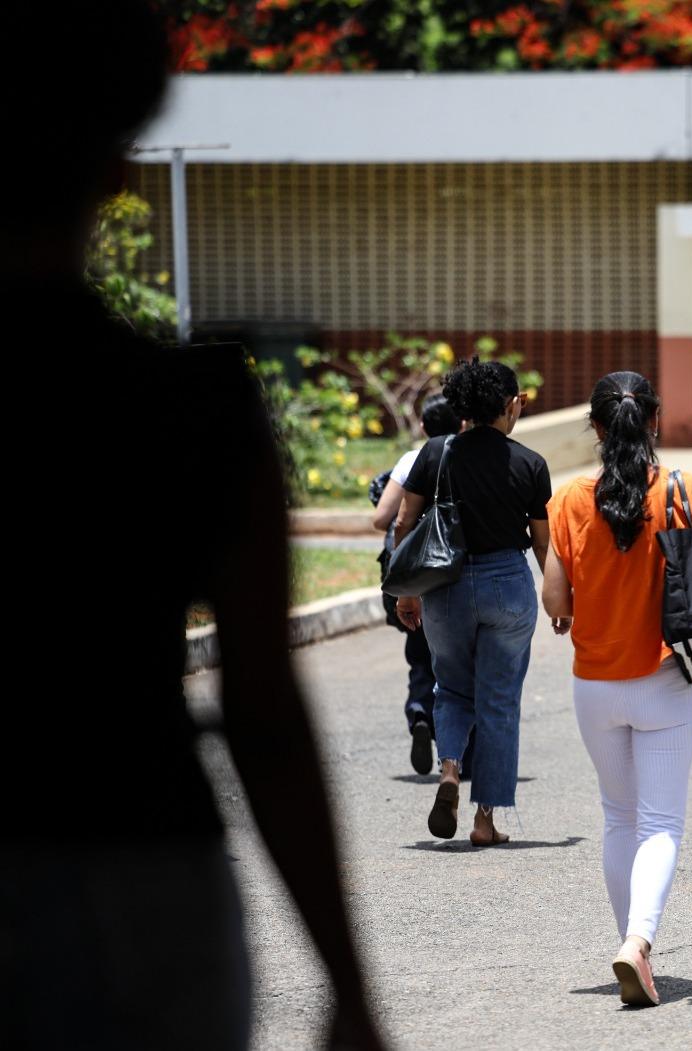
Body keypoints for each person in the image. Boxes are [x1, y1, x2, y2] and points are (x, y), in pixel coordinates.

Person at [0, 3, 384, 1047]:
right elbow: (263, 707)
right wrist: (347, 982)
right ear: (120, 166)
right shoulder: (194, 405)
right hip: (140, 871)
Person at [541, 371, 692, 1007]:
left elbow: (555, 599)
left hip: (595, 685)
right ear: (654, 420)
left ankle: (631, 943)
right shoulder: (684, 491)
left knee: (619, 818)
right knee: (661, 823)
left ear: (595, 428)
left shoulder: (568, 500)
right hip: (666, 681)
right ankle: (639, 943)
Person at [393, 361, 551, 848]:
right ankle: (485, 819)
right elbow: (543, 544)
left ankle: (448, 772)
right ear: (509, 406)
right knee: (500, 701)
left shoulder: (437, 452)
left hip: (446, 585)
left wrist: (405, 590)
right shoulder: (528, 462)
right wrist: (560, 600)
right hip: (507, 583)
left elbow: (404, 523)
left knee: (452, 688)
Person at [372, 394, 462, 774]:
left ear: (423, 427)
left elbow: (384, 519)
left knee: (420, 652)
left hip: (416, 574)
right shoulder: (465, 454)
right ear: (461, 423)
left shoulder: (412, 459)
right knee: (458, 662)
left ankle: (420, 712)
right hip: (454, 569)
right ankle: (456, 747)